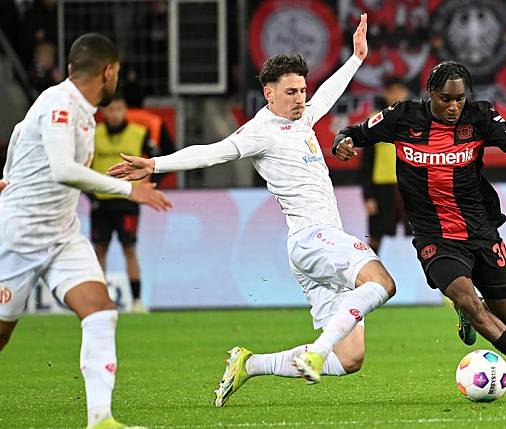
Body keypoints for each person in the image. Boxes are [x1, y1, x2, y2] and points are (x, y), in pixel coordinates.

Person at [108, 14, 396, 407]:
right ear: (268, 93)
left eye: (302, 90)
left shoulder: (303, 116)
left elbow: (326, 96)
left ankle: (251, 364)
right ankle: (316, 348)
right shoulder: (259, 131)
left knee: (349, 359)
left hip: (316, 248)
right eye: (291, 92)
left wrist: (356, 59)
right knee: (381, 282)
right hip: (314, 239)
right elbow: (209, 154)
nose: (300, 98)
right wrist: (155, 164)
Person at [332, 60, 506, 398]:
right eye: (445, 99)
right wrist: (342, 142)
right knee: (469, 300)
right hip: (433, 235)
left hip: (479, 228)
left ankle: (466, 311)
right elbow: (354, 132)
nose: (453, 107)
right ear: (431, 94)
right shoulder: (402, 117)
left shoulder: (480, 116)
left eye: (459, 99)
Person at [0, 33, 171, 429]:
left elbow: (19, 135)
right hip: (20, 237)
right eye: (117, 74)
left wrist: (9, 174)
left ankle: (101, 419)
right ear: (108, 71)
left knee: (100, 310)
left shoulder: (76, 107)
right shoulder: (61, 104)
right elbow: (62, 170)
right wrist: (132, 191)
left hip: (62, 235)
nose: (117, 81)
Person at [90, 92, 158, 312]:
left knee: (129, 248)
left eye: (119, 109)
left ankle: (137, 301)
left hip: (128, 200)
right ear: (103, 112)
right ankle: (99, 300)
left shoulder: (139, 133)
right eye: (110, 109)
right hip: (100, 201)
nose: (115, 114)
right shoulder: (93, 134)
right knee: (99, 250)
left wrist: (146, 185)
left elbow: (156, 162)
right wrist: (90, 195)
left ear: (125, 110)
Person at [361, 76, 412, 254]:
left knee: (425, 236)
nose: (397, 95)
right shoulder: (374, 121)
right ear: (385, 94)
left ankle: (434, 277)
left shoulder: (417, 120)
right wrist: (368, 196)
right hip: (381, 186)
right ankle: (371, 278)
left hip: (410, 187)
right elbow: (366, 163)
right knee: (375, 238)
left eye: (400, 90)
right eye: (393, 91)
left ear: (406, 93)